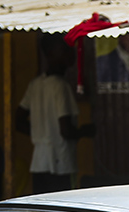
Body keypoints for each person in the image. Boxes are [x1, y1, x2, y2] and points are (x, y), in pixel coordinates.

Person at [16, 34, 94, 194]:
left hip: (39, 162)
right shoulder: (61, 86)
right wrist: (86, 131)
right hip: (61, 163)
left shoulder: (35, 84)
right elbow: (66, 130)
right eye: (64, 49)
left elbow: (19, 121)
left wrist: (41, 135)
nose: (70, 52)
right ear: (50, 53)